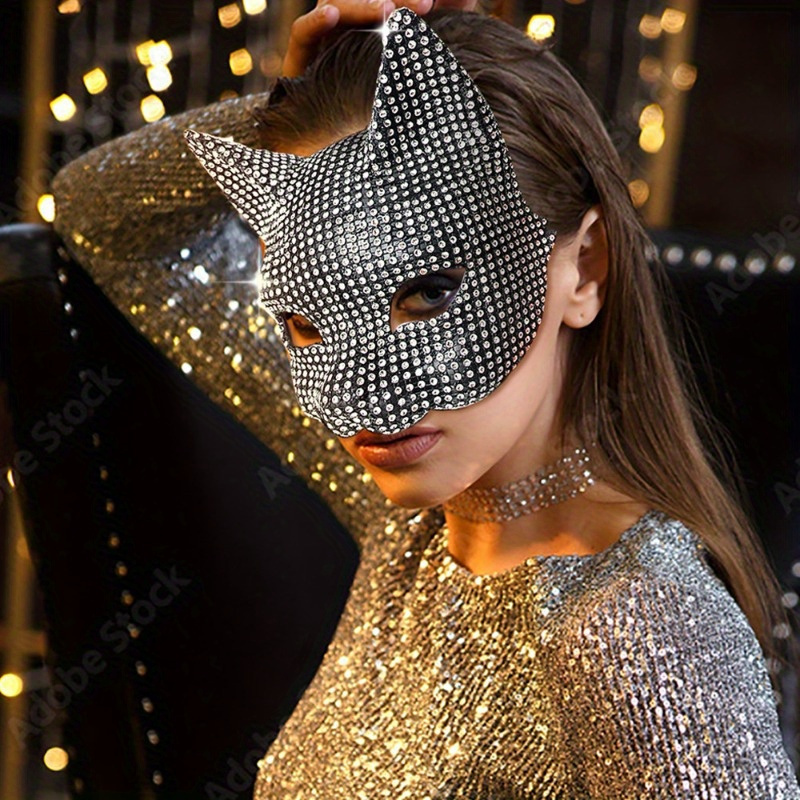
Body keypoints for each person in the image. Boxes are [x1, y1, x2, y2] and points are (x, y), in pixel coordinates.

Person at [51, 3, 800, 797]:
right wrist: (291, 110)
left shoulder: (642, 631)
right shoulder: (413, 521)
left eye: (426, 294)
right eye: (311, 318)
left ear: (585, 269)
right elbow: (104, 216)